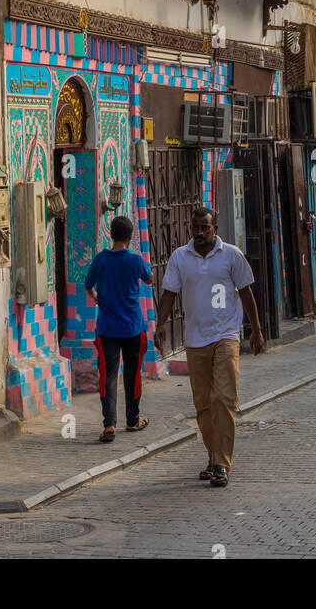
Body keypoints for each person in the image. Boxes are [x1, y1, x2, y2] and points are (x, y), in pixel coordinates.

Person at [154, 207, 264, 489]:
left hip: (226, 335)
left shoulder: (232, 255)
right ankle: (213, 457)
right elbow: (169, 293)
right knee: (203, 404)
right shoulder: (180, 257)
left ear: (215, 228)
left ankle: (222, 464)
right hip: (195, 339)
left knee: (224, 399)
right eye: (195, 228)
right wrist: (160, 324)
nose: (200, 233)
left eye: (205, 227)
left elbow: (245, 291)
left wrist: (256, 330)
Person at [84, 215, 153, 443]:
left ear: (110, 234)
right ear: (131, 235)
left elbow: (88, 286)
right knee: (133, 375)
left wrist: (98, 298)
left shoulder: (100, 260)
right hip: (134, 327)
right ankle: (133, 420)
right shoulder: (135, 259)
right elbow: (150, 279)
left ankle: (109, 425)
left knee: (108, 375)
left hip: (107, 329)